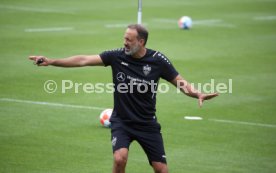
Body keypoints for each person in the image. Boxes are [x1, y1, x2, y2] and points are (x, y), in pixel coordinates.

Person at [29, 24, 218, 173]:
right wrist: (52, 61)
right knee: (120, 159)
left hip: (147, 124)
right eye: (124, 38)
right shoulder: (116, 56)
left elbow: (181, 82)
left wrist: (198, 94)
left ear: (141, 42)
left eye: (129, 39)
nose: (124, 42)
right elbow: (83, 60)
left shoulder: (158, 60)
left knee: (161, 169)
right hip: (122, 122)